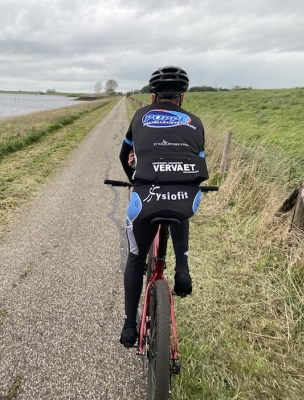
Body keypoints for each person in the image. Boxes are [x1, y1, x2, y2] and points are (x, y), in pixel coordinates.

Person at [118, 66, 209, 347]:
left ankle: (130, 326)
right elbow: (197, 166)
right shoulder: (196, 122)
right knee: (181, 203)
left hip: (146, 198)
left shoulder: (140, 115)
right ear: (182, 97)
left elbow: (125, 155)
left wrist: (135, 179)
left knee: (135, 258)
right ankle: (182, 268)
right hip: (186, 200)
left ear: (152, 96)